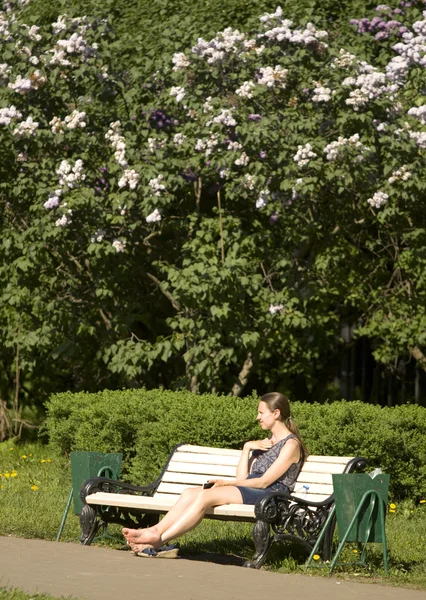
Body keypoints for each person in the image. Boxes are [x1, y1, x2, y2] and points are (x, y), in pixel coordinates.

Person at [122, 392, 307, 556]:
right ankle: (155, 530)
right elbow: (244, 478)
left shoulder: (291, 445)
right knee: (189, 493)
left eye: (261, 412)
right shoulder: (264, 442)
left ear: (276, 413)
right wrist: (246, 449)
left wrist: (227, 483)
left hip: (271, 495)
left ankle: (159, 540)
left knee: (205, 496)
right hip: (252, 489)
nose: (257, 417)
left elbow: (264, 481)